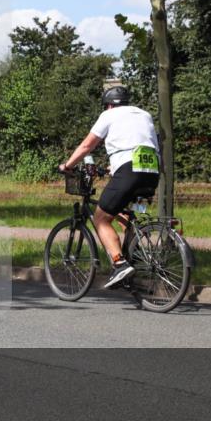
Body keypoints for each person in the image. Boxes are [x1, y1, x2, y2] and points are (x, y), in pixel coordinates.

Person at [59, 86, 160, 288]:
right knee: (124, 214)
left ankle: (120, 264)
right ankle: (135, 256)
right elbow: (141, 146)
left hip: (129, 171)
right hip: (152, 171)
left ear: (109, 105)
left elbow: (87, 145)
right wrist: (112, 167)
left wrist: (67, 166)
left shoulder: (108, 115)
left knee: (101, 218)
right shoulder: (144, 115)